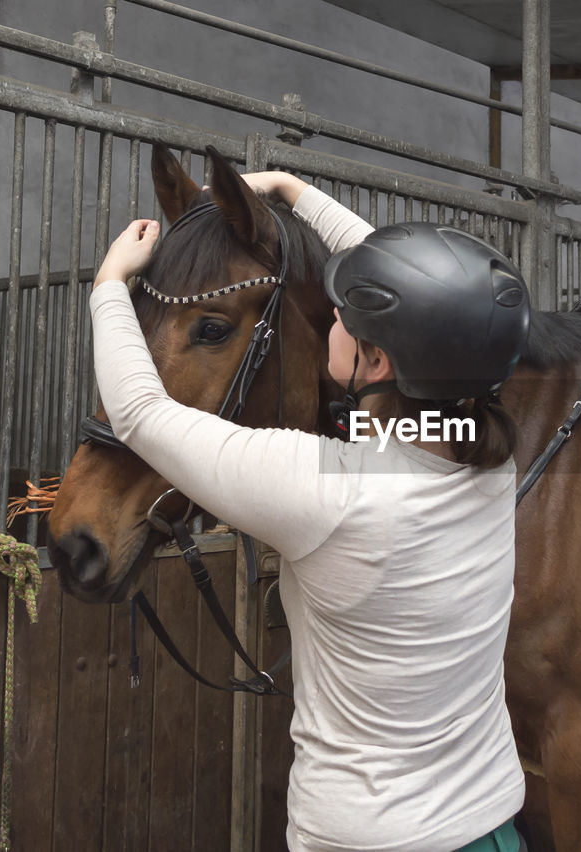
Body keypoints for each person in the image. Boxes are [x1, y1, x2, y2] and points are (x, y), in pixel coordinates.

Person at [90, 171, 530, 851]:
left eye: (343, 318)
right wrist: (294, 192)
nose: (330, 316)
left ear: (375, 360)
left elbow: (142, 413)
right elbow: (442, 307)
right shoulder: (490, 454)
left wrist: (109, 286)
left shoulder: (328, 491)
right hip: (491, 825)